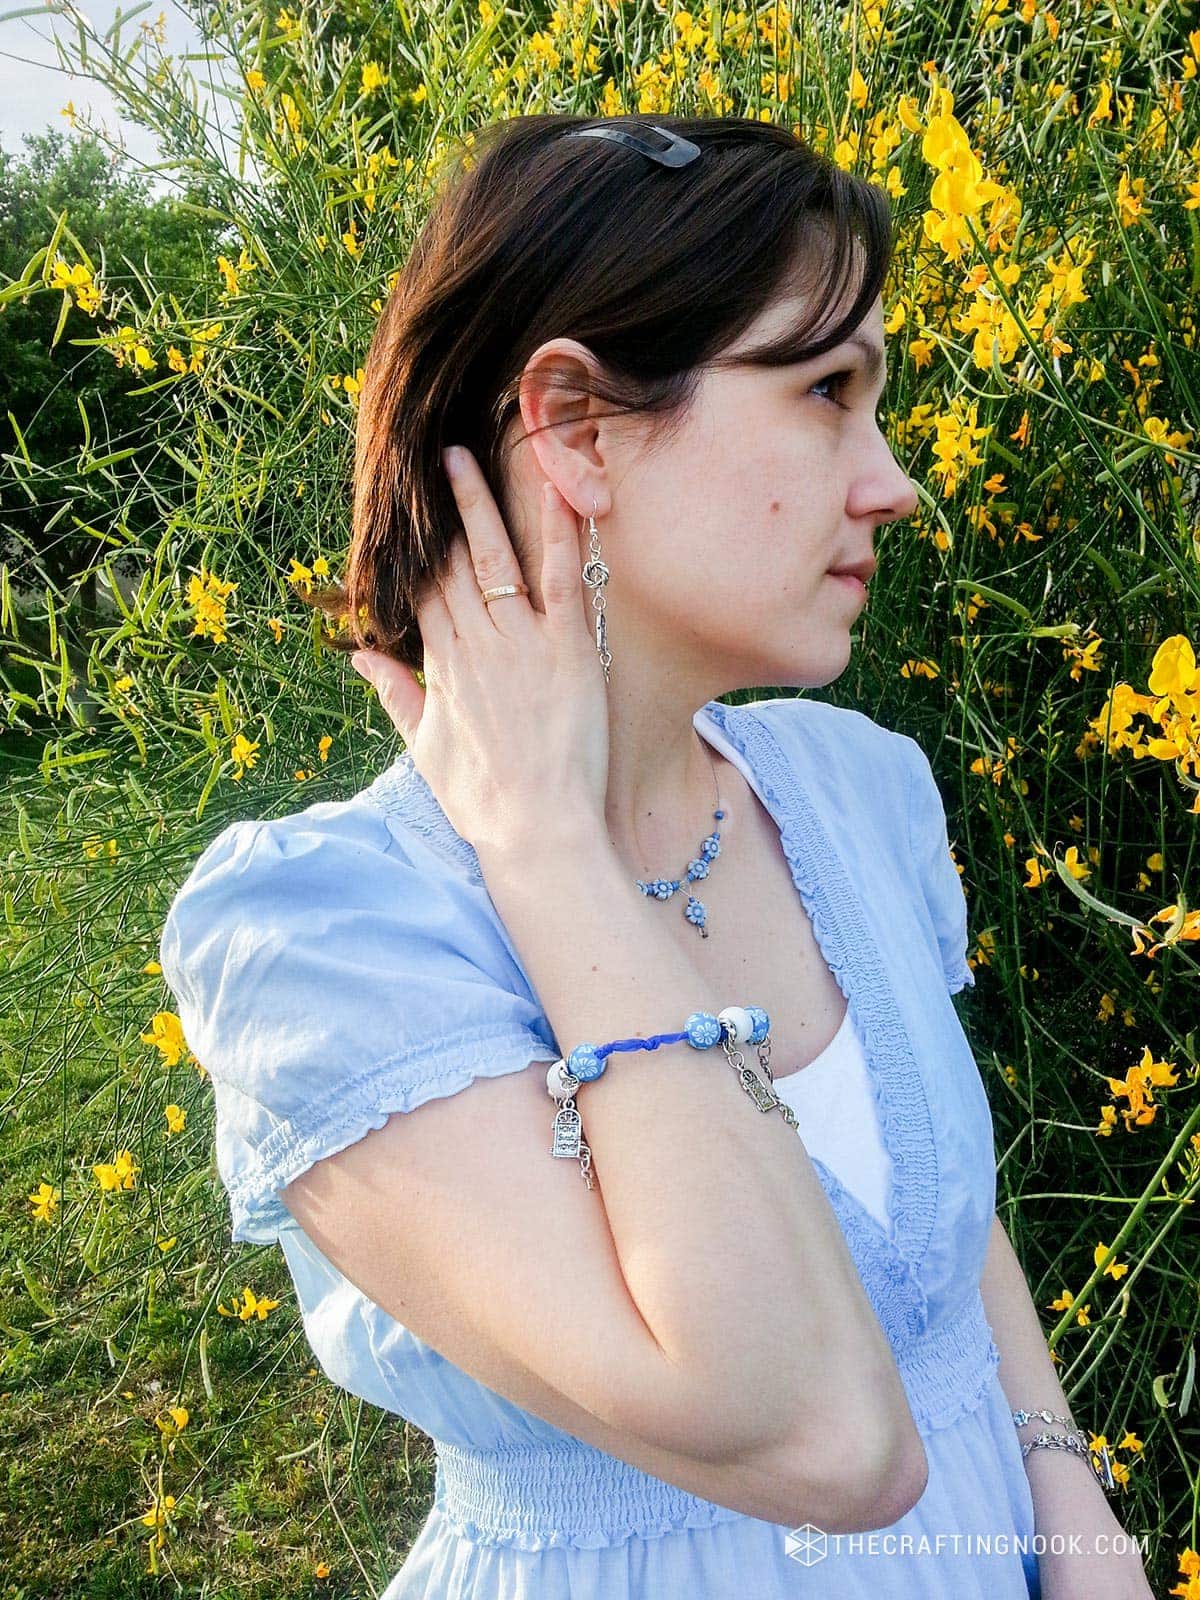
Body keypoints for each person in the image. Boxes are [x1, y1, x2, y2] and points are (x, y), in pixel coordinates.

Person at [158, 115, 1153, 1599]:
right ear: (575, 428)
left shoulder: (860, 789)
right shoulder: (326, 934)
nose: (894, 483)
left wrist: (1079, 1524)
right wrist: (548, 846)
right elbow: (826, 1438)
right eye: (827, 391)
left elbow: (943, 1235)